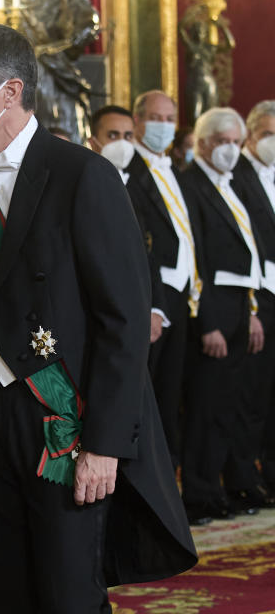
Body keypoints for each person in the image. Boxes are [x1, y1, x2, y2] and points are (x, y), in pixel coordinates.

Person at [0, 25, 196, 613]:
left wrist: (105, 444)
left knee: (68, 590)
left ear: (11, 90)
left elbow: (123, 322)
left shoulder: (82, 174)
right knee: (4, 589)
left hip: (62, 416)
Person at [180, 107, 265, 523]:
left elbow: (247, 253)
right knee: (205, 408)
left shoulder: (228, 186)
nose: (230, 150)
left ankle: (219, 487)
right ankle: (198, 493)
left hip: (238, 307)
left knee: (229, 406)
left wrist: (250, 312)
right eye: (223, 142)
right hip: (211, 310)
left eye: (236, 142)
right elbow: (196, 256)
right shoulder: (189, 184)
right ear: (203, 142)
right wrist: (208, 321)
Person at [124, 90, 196, 466]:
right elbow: (139, 244)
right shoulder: (128, 170)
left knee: (172, 394)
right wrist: (152, 302)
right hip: (153, 297)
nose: (164, 126)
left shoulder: (177, 171)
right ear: (137, 121)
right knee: (146, 395)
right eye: (156, 117)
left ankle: (168, 475)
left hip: (182, 294)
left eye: (170, 119)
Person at [233, 100, 275, 505]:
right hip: (255, 299)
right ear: (250, 134)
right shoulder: (237, 175)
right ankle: (245, 475)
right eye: (266, 134)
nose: (272, 142)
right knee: (251, 397)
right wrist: (254, 309)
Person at [89, 105, 135, 182]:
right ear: (93, 143)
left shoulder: (136, 183)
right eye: (112, 136)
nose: (122, 143)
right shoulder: (85, 182)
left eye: (128, 136)